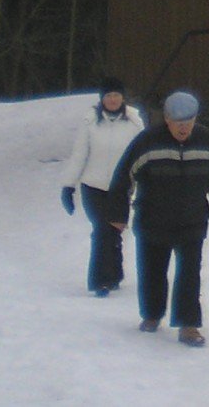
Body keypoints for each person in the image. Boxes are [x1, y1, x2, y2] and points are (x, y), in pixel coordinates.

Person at [105, 89, 209, 347]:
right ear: (167, 119)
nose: (184, 128)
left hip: (192, 220)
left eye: (189, 123)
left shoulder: (206, 141)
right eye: (178, 123)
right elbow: (123, 178)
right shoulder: (147, 142)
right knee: (152, 270)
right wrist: (117, 214)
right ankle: (152, 315)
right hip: (152, 219)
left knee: (189, 274)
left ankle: (189, 325)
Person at [59, 76, 145, 296]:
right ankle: (100, 281)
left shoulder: (134, 121)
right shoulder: (90, 121)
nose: (113, 99)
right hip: (93, 185)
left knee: (114, 230)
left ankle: (114, 274)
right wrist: (68, 186)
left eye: (117, 95)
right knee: (102, 230)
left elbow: (141, 155)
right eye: (109, 96)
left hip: (121, 187)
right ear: (102, 99)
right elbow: (79, 154)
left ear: (122, 98)